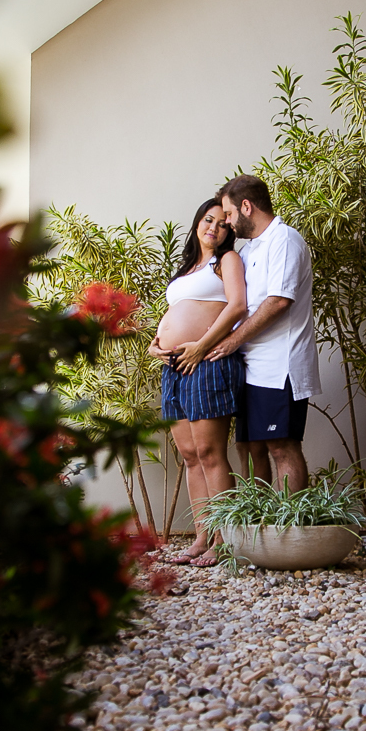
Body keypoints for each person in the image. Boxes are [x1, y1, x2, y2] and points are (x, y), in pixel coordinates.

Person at [148, 198, 247, 566]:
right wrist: (156, 343)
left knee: (209, 453)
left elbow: (237, 306)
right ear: (197, 223)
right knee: (190, 457)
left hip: (205, 362)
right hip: (173, 366)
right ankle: (202, 536)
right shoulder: (187, 268)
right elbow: (177, 312)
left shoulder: (227, 260)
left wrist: (201, 345)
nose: (214, 228)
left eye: (222, 224)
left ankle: (223, 538)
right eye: (208, 220)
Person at [207, 174, 320, 492]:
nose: (228, 222)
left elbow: (278, 301)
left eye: (229, 214)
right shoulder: (248, 251)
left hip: (279, 366)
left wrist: (231, 342)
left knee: (281, 447)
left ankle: (291, 521)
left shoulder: (284, 240)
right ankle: (261, 520)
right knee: (251, 448)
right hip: (250, 366)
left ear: (246, 207)